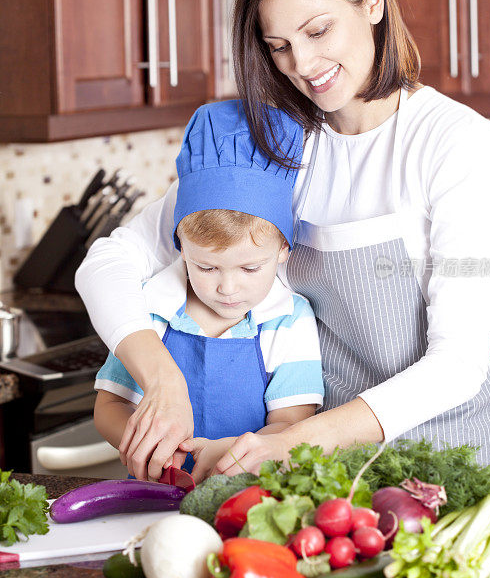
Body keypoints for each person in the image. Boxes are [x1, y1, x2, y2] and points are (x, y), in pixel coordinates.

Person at [76, 0, 490, 504]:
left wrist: (293, 442)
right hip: (337, 489)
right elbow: (108, 262)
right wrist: (160, 375)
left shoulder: (453, 142)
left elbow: (459, 362)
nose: (303, 64)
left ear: (372, 3)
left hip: (465, 476)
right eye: (279, 46)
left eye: (319, 31)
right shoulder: (266, 148)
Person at [92, 100, 324, 481]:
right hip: (155, 491)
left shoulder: (289, 321)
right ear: (180, 246)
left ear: (284, 250)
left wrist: (228, 455)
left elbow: (290, 425)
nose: (228, 288)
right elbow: (110, 406)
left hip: (251, 496)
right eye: (206, 267)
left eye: (250, 267)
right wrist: (155, 450)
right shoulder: (149, 308)